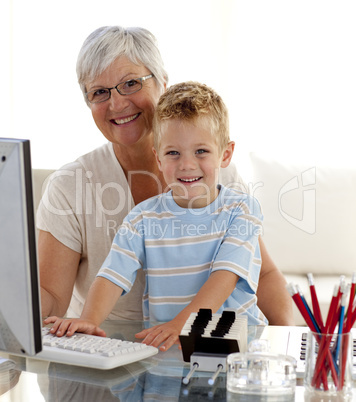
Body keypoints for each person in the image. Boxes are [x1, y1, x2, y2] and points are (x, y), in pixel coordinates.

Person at [37, 25, 294, 325]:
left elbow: (257, 272)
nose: (117, 103)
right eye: (100, 92)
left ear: (163, 84)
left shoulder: (221, 178)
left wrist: (289, 344)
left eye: (131, 83)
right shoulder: (74, 188)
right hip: (117, 350)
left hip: (209, 342)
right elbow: (55, 293)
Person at [45, 81, 268, 351]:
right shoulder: (143, 218)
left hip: (235, 352)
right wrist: (89, 319)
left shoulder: (242, 210)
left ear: (226, 154)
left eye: (201, 151)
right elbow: (112, 274)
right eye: (173, 153)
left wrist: (181, 324)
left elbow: (225, 277)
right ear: (158, 159)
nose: (186, 164)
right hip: (167, 347)